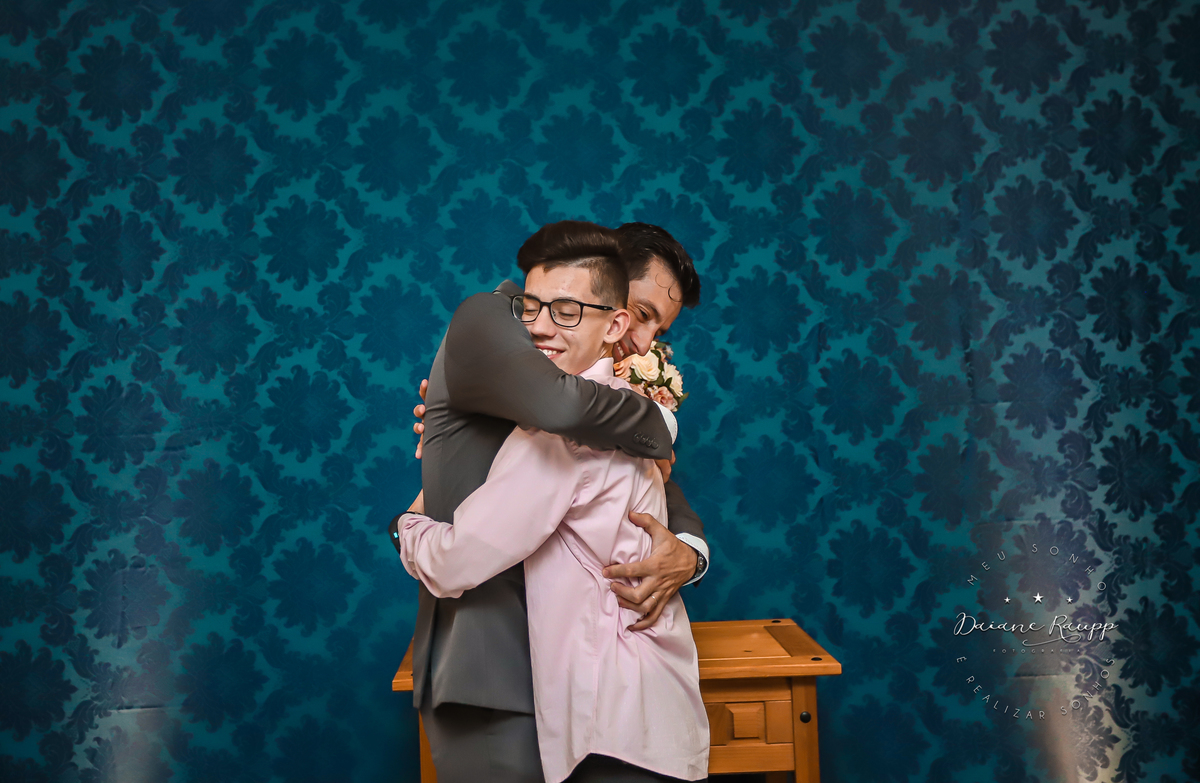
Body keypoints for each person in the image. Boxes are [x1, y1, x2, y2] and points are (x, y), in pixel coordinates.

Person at [391, 220, 708, 783]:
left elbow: (652, 480)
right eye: (642, 314)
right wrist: (658, 421)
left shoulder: (591, 402)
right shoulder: (496, 324)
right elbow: (564, 409)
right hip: (488, 654)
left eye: (656, 327)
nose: (644, 341)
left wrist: (689, 550)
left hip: (586, 675)